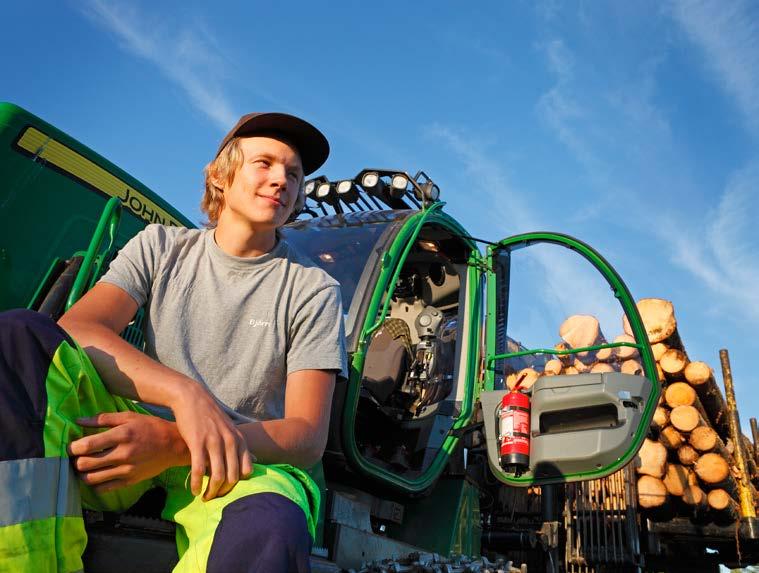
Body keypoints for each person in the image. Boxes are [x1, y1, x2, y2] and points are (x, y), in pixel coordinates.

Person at [0, 112, 348, 573]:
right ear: (222, 176)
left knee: (272, 523)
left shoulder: (313, 289)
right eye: (264, 163)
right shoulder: (161, 246)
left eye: (294, 173)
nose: (281, 179)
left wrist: (176, 441)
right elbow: (79, 329)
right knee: (20, 336)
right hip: (127, 433)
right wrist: (183, 394)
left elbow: (305, 435)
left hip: (235, 460)